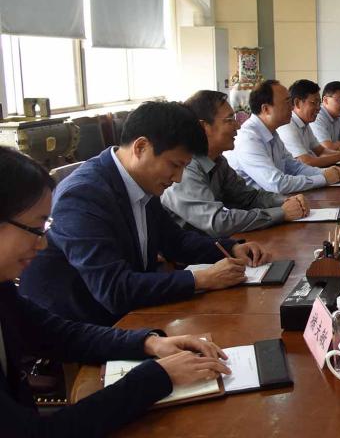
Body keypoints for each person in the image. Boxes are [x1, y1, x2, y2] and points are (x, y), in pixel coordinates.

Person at [0, 147, 233, 437]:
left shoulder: (2, 286)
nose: (43, 243)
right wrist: (157, 377)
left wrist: (149, 343)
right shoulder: (84, 193)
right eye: (37, 228)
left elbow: (58, 333)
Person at [19, 102, 270, 326]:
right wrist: (200, 279)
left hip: (128, 314)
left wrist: (230, 248)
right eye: (174, 165)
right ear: (141, 147)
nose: (178, 178)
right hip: (82, 326)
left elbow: (175, 241)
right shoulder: (83, 195)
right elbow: (114, 289)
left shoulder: (139, 182)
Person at [161, 90, 311, 237]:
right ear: (203, 127)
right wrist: (281, 213)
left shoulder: (219, 162)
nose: (238, 126)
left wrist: (287, 201)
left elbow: (249, 198)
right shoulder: (185, 168)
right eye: (229, 120)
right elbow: (218, 222)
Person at [225, 80, 340, 194]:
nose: (292, 107)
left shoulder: (272, 132)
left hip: (274, 200)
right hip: (256, 205)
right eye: (286, 102)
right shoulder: (249, 139)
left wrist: (324, 172)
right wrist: (323, 179)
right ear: (266, 109)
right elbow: (276, 184)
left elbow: (295, 168)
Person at [278, 79, 340, 167]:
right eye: (314, 103)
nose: (318, 108)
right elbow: (306, 162)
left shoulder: (304, 123)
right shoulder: (287, 126)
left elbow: (321, 151)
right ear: (297, 103)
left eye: (319, 103)